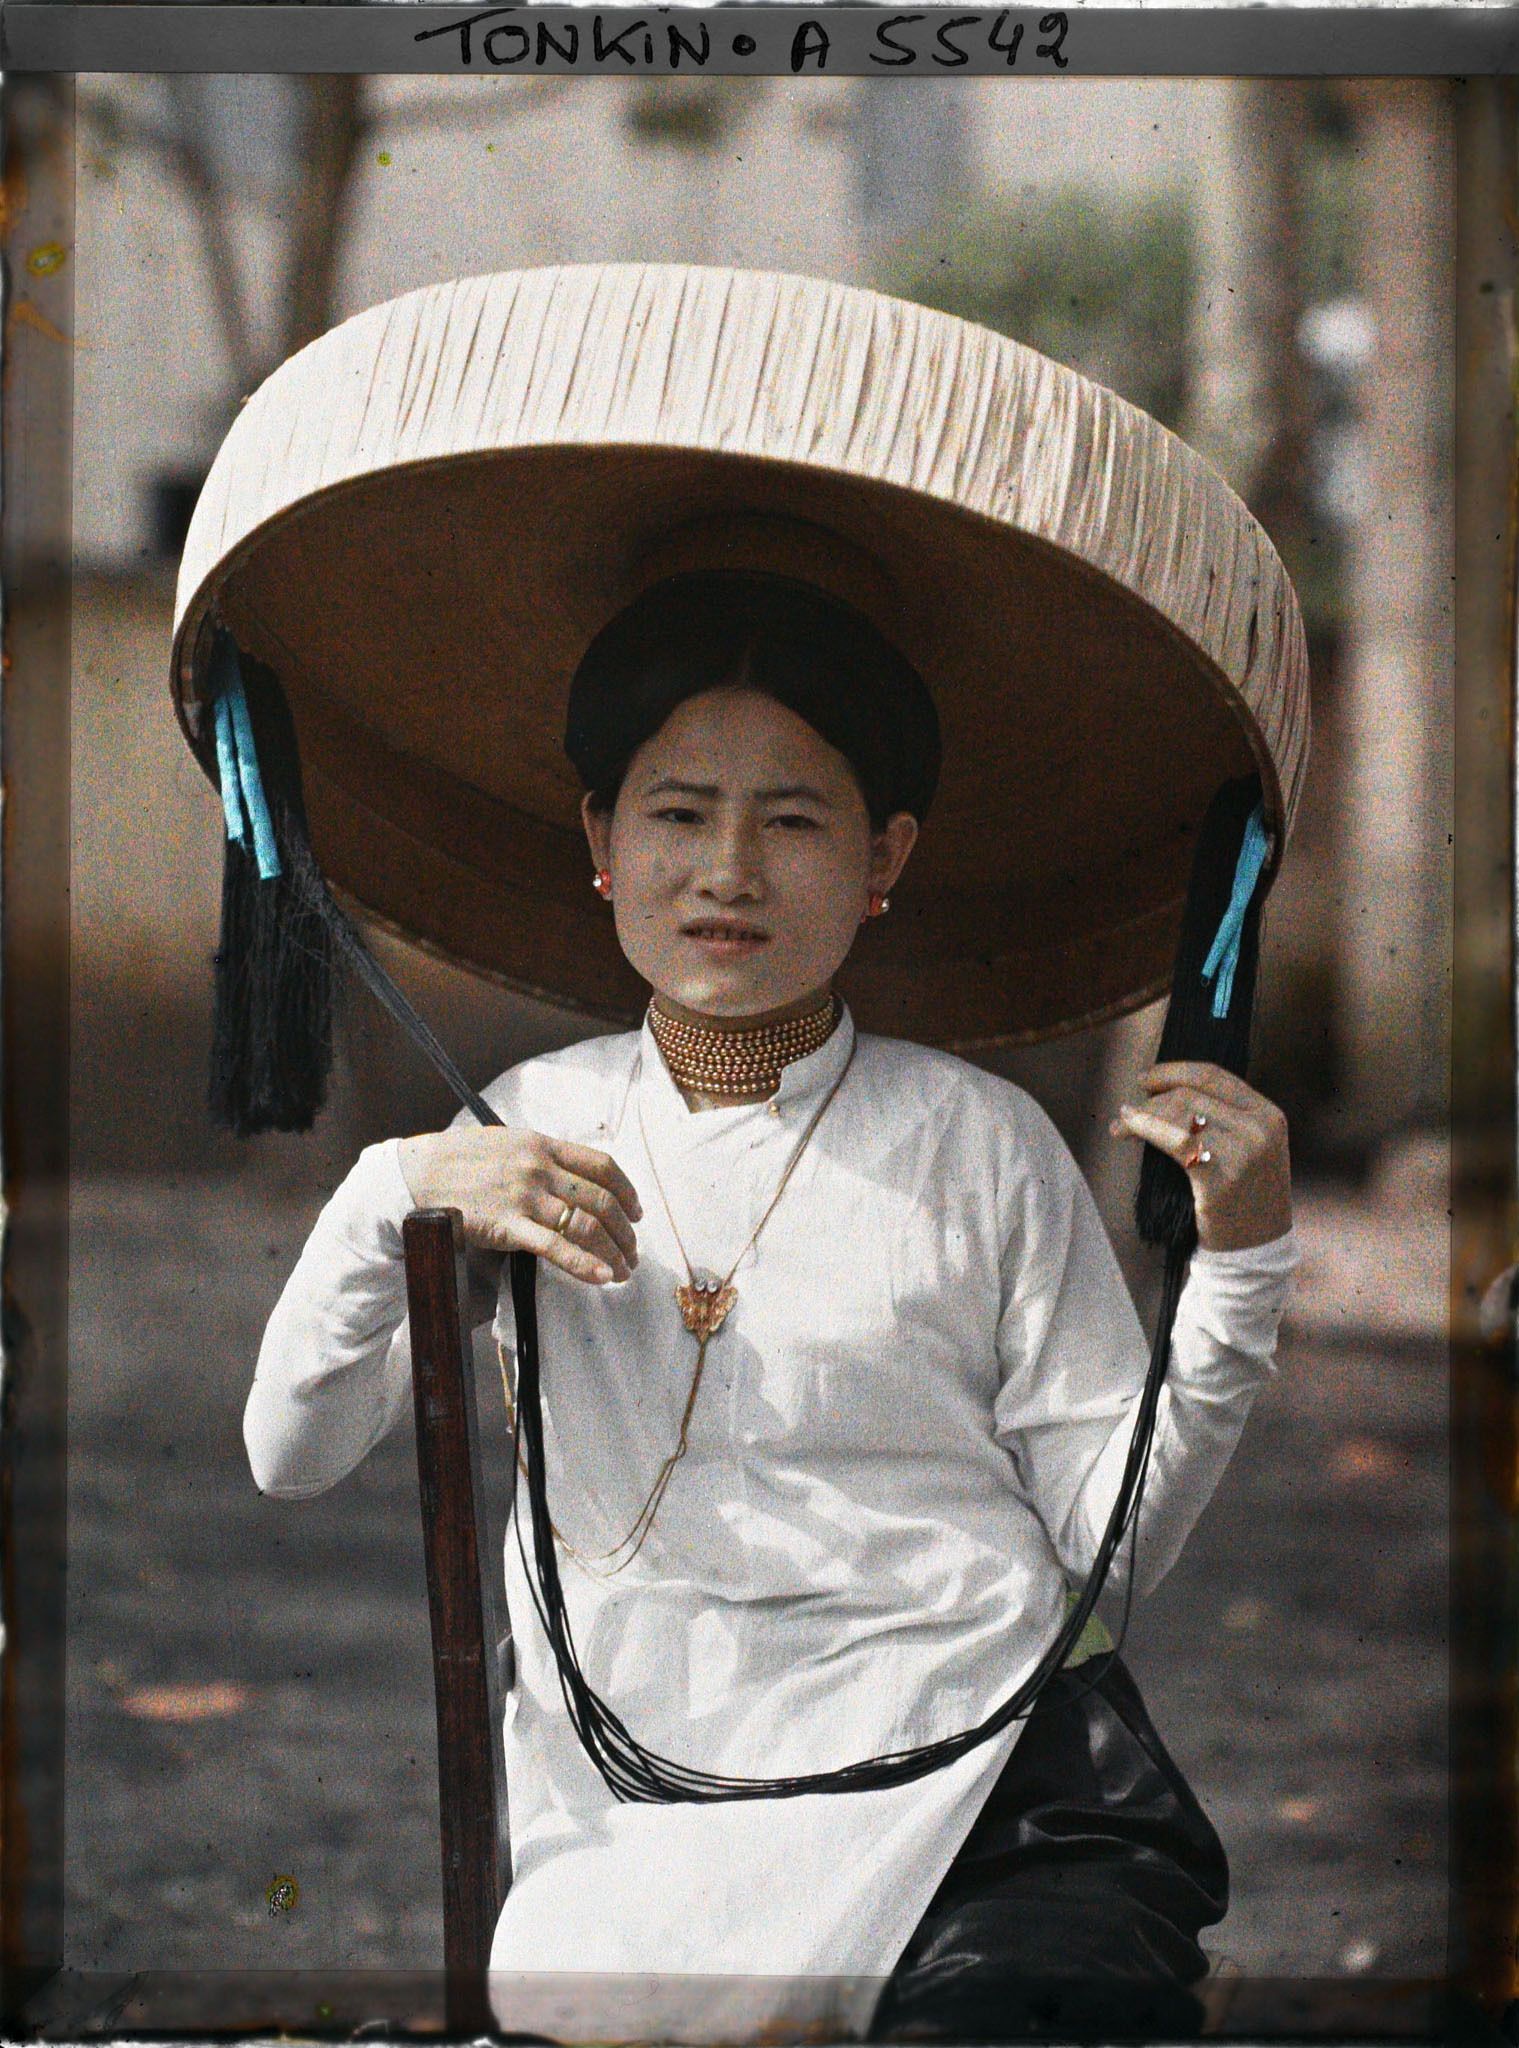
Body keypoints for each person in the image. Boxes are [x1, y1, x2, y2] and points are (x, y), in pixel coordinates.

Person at [245, 572, 1299, 2043]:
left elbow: (1102, 1568)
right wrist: (391, 1194)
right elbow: (288, 1450)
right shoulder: (521, 1136)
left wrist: (1241, 1268)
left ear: (887, 857)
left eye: (794, 820)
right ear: (602, 845)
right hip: (640, 1808)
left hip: (983, 1798)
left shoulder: (982, 1143)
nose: (728, 870)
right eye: (678, 814)